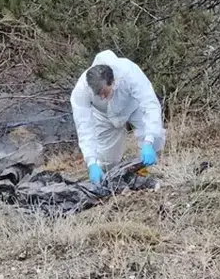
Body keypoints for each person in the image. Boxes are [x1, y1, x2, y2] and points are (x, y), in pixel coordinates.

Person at [70, 51, 165, 184]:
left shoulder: (128, 72)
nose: (102, 97)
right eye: (98, 94)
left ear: (113, 81)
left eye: (104, 92)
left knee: (155, 140)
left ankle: (150, 174)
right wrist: (91, 162)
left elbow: (149, 104)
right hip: (104, 116)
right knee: (107, 162)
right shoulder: (81, 90)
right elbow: (84, 126)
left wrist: (148, 141)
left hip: (133, 106)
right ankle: (113, 181)